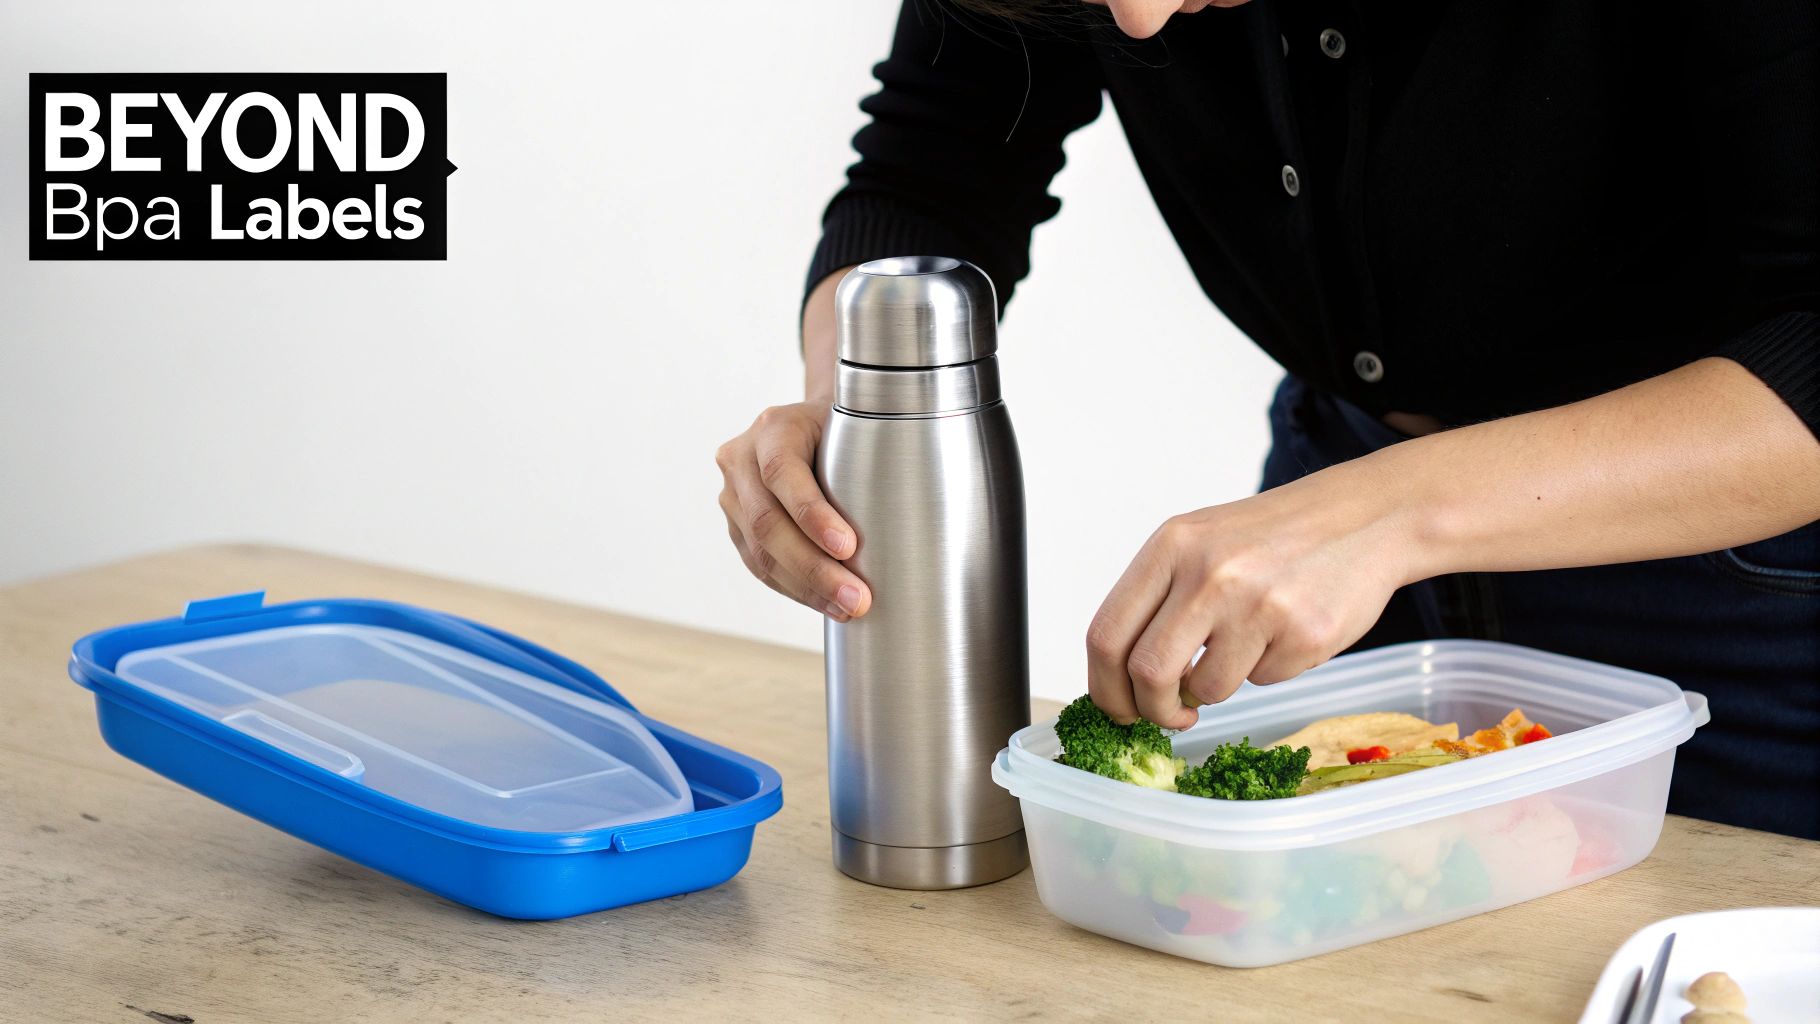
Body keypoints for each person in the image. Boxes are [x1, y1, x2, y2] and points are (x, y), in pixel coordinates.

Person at [715, 0, 1819, 838]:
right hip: (1340, 513)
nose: (1138, 24)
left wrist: (1392, 513)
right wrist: (850, 399)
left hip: (1741, 589)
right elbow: (936, 161)